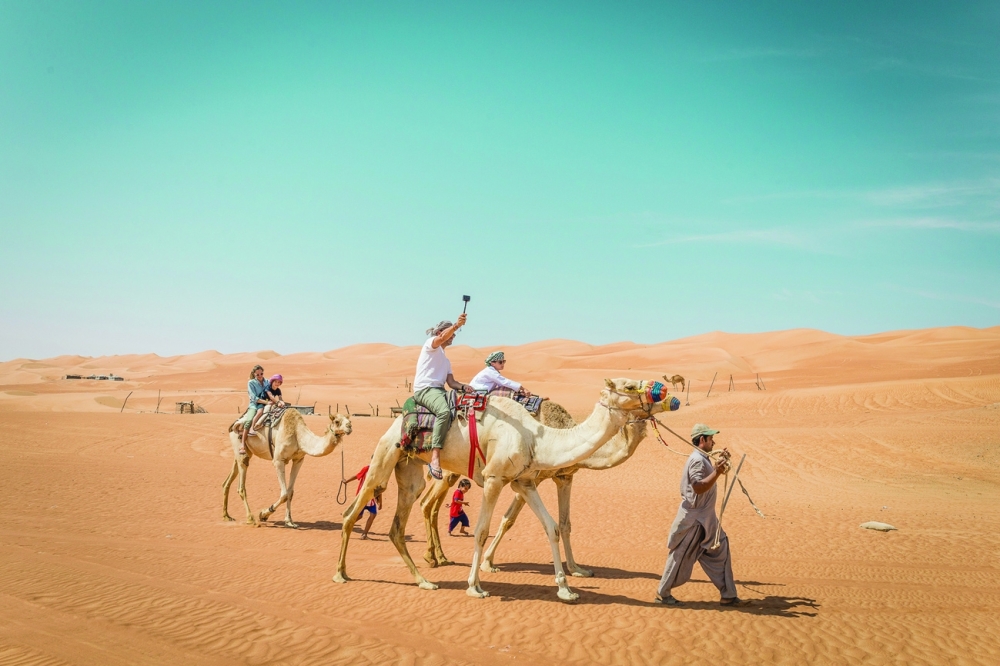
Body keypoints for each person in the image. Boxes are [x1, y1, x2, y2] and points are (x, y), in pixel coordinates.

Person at [655, 423, 748, 607]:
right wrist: (718, 472)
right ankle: (663, 593)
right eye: (711, 438)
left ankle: (728, 595)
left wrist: (718, 466)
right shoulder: (697, 460)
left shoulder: (702, 458)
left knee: (721, 549)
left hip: (707, 520)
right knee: (680, 556)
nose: (714, 441)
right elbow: (698, 487)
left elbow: (707, 477)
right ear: (702, 440)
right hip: (695, 521)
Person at [413, 313, 475, 480]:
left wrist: (464, 387)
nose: (453, 337)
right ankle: (434, 458)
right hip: (425, 389)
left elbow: (451, 382)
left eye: (454, 334)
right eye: (451, 333)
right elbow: (439, 339)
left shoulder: (446, 360)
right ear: (441, 332)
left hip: (440, 390)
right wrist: (456, 325)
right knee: (444, 412)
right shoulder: (430, 345)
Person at [469, 351, 537, 397]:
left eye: (503, 361)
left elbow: (502, 384)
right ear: (493, 363)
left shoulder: (493, 371)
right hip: (477, 393)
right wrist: (523, 388)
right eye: (500, 362)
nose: (503, 364)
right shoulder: (490, 371)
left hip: (484, 393)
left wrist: (519, 390)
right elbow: (505, 382)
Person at [238, 365, 269, 454]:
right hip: (254, 405)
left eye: (261, 374)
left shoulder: (267, 381)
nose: (260, 376)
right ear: (254, 374)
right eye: (257, 374)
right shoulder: (251, 383)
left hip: (266, 404)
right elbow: (253, 397)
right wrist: (265, 402)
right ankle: (243, 444)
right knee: (249, 420)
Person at [353, 464, 382, 539]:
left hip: (370, 498)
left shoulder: (378, 472)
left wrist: (380, 502)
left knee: (373, 515)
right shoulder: (366, 468)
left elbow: (379, 488)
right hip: (362, 497)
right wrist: (346, 481)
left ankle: (364, 534)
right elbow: (357, 476)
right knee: (359, 516)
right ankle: (347, 526)